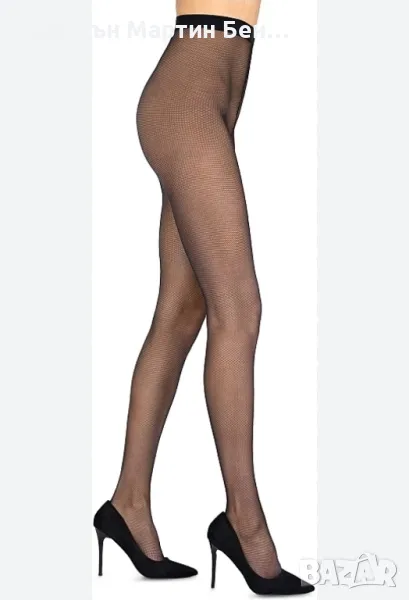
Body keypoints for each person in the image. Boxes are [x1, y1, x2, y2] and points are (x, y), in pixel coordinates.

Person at [93, 1, 314, 594]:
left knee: (181, 310)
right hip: (187, 107)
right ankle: (245, 522)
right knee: (240, 311)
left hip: (200, 107)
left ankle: (127, 505)